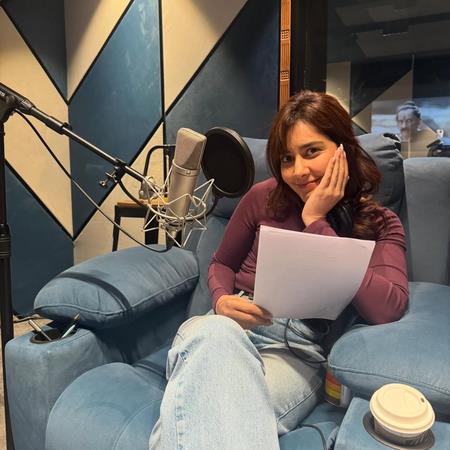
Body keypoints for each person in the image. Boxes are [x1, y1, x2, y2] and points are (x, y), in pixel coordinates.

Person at [149, 91, 409, 450]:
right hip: (226, 326)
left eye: (311, 151)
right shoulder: (263, 196)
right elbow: (222, 263)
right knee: (214, 340)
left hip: (296, 352)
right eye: (287, 158)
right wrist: (221, 300)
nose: (298, 171)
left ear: (344, 149)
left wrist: (316, 221)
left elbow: (389, 307)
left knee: (204, 411)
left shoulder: (379, 222)